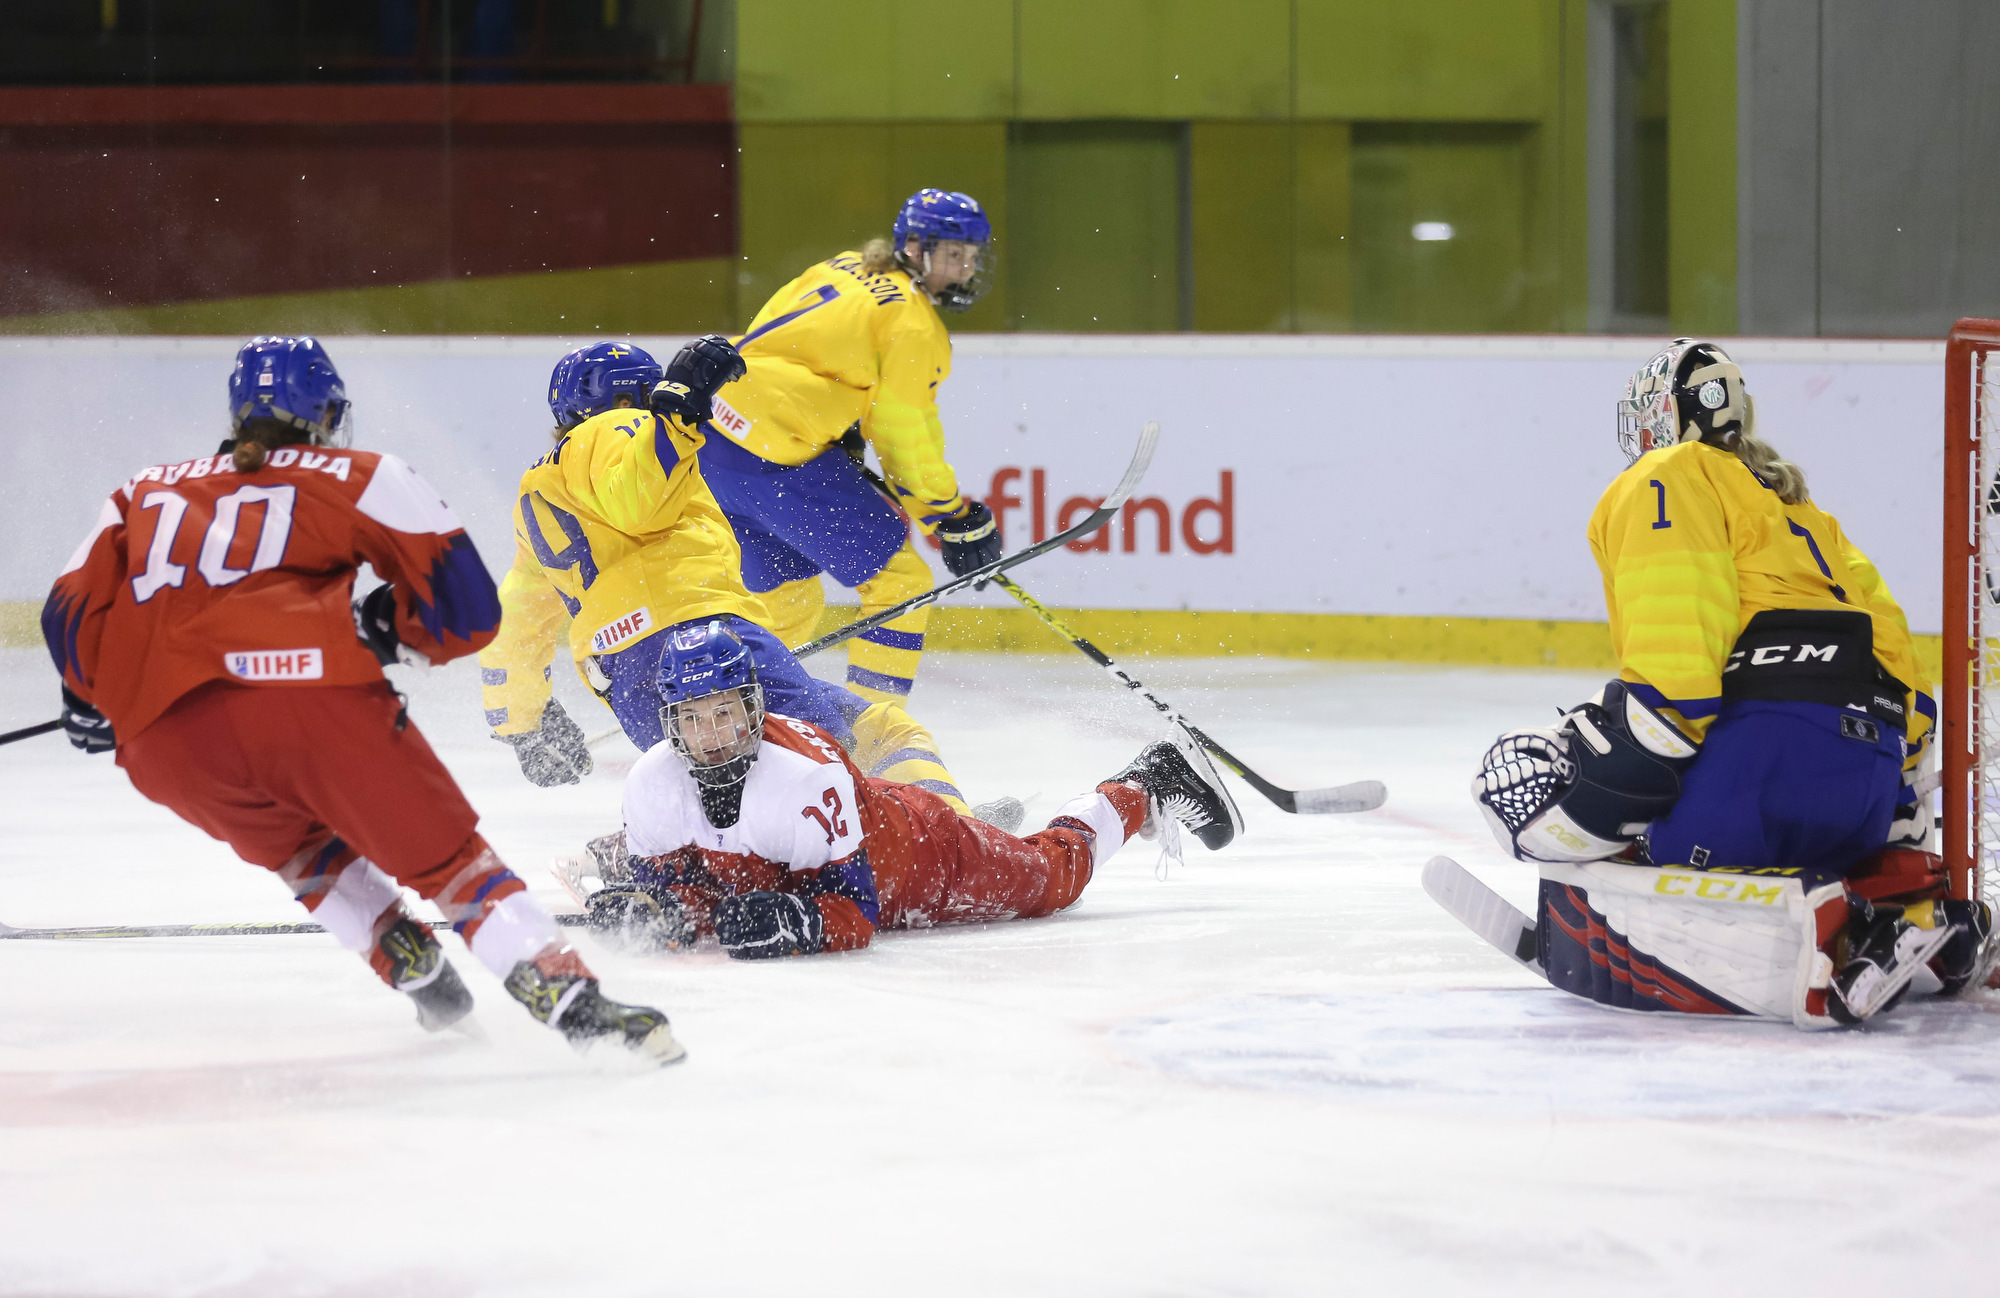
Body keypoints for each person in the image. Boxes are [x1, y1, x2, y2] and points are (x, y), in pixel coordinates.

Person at [41, 335, 683, 1064]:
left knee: (304, 852)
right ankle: (575, 1003)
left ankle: (414, 969)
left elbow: (65, 616)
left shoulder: (142, 490)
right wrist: (391, 628)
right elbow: (468, 613)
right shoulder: (364, 473)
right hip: (313, 705)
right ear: (327, 411)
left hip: (163, 742)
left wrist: (98, 696)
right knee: (454, 866)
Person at [1471, 338, 1990, 1027]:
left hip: (1759, 769)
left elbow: (1674, 670)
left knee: (1619, 828)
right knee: (1817, 831)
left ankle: (1832, 926)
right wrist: (1894, 790)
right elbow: (1900, 663)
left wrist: (1612, 789)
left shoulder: (1666, 474)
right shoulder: (1808, 516)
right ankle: (1917, 911)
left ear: (1673, 416)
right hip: (1864, 782)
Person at [477, 337, 977, 814]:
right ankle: (949, 836)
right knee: (862, 737)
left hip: (625, 677)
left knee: (727, 791)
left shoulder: (536, 496)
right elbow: (637, 503)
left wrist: (522, 724)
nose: (648, 408)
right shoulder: (616, 431)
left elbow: (517, 619)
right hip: (702, 637)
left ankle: (717, 870)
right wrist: (676, 412)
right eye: (643, 397)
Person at [565, 620, 1236, 960]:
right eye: (693, 717)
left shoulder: (804, 777)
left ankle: (1143, 784)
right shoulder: (653, 784)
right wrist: (670, 916)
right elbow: (689, 893)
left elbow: (856, 916)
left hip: (919, 859)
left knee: (1051, 876)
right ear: (671, 724)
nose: (713, 734)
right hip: (833, 842)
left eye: (726, 712)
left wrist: (794, 923)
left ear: (753, 706)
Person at [692, 187, 1001, 707]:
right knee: (902, 583)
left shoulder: (843, 266)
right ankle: (873, 735)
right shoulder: (911, 321)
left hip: (712, 443)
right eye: (954, 256)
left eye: (972, 257)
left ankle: (748, 720)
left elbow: (768, 339)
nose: (967, 270)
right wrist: (948, 514)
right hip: (776, 458)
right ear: (918, 248)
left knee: (786, 595)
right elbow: (904, 431)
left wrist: (834, 425)